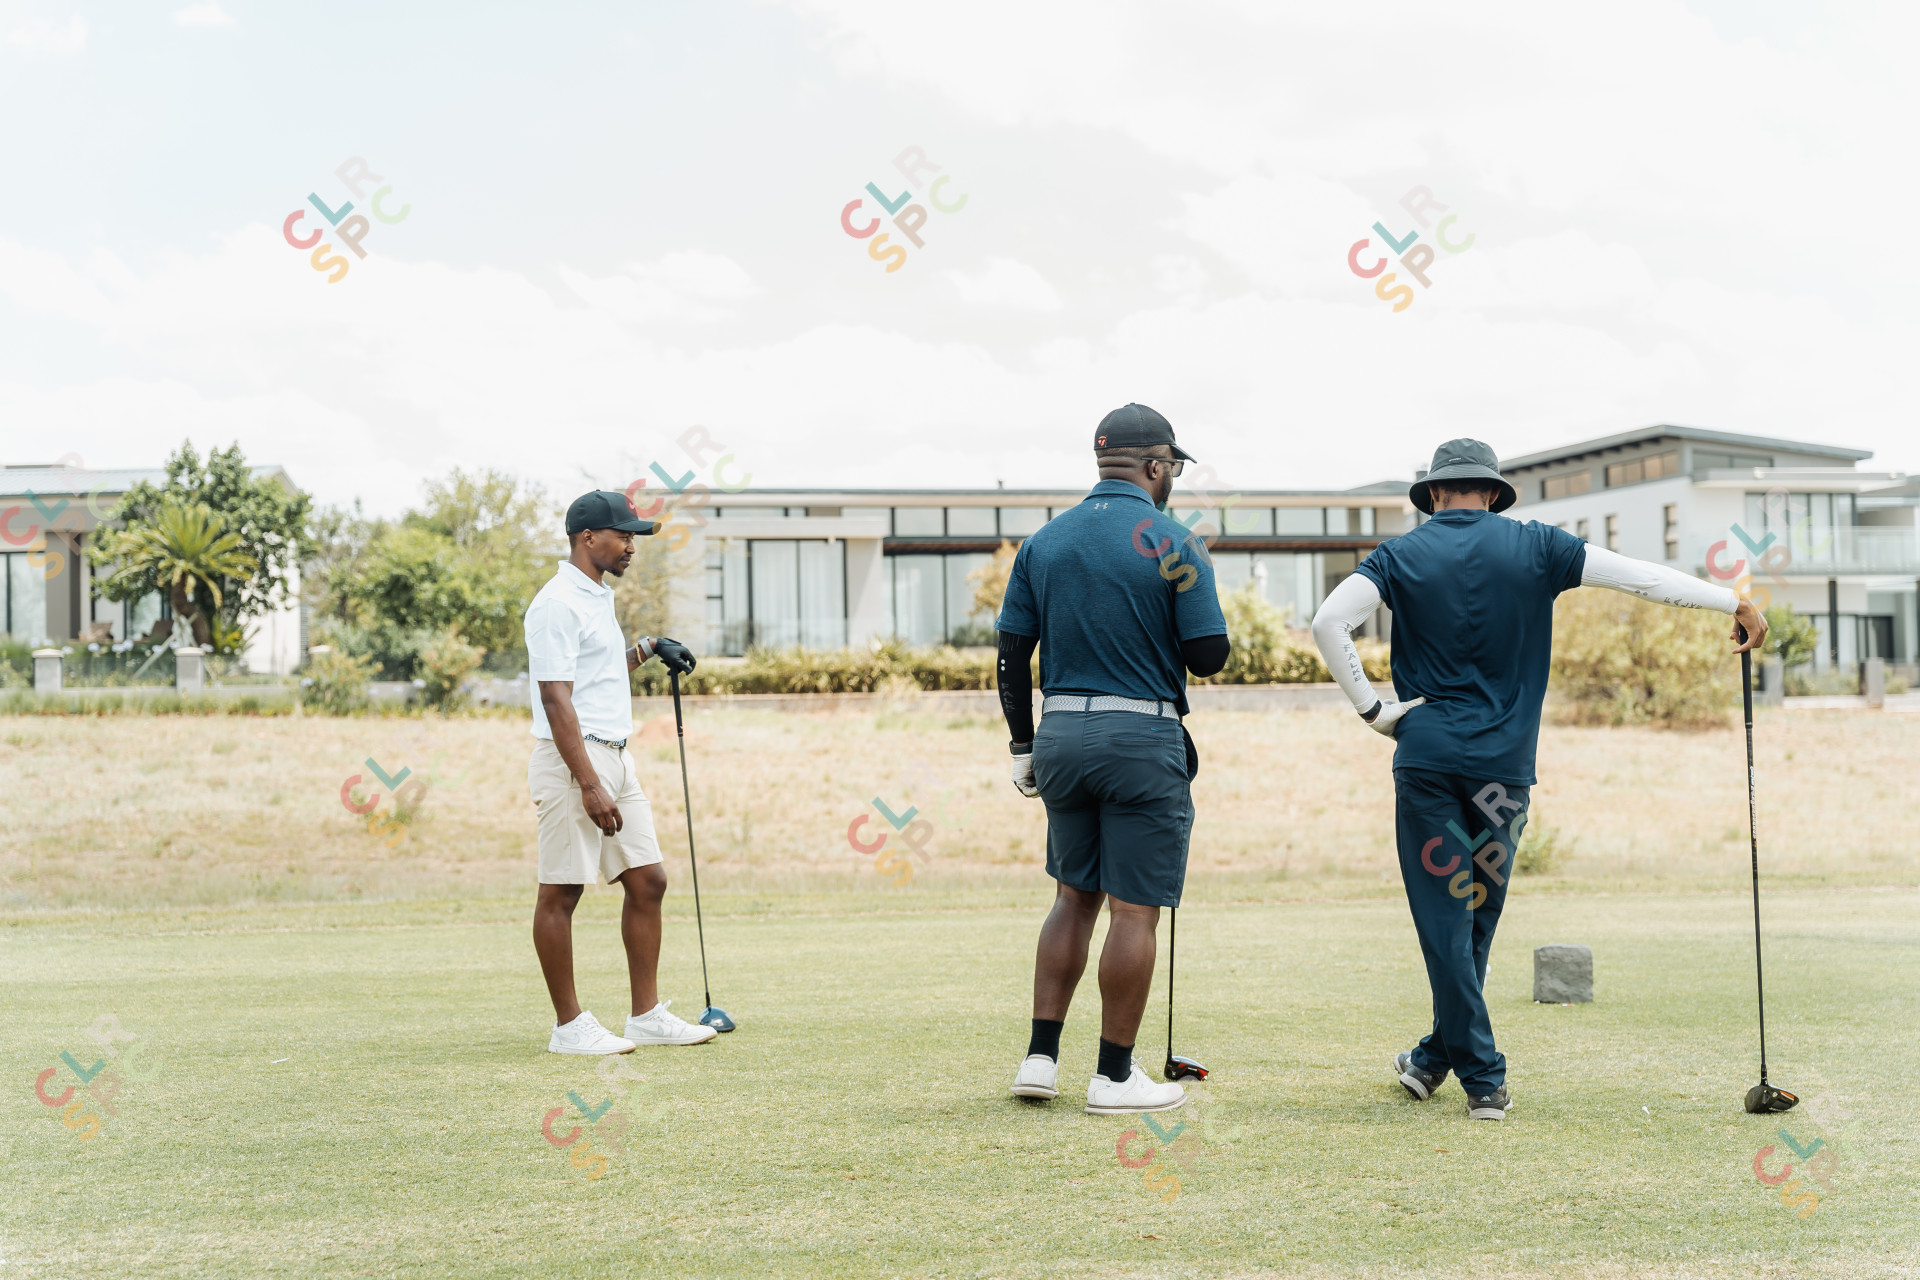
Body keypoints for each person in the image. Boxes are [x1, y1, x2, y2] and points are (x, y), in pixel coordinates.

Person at [1310, 439, 1766, 1120]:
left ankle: (1439, 1059)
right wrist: (1731, 600)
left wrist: (1375, 711)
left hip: (1428, 761)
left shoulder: (1399, 555)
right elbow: (1643, 578)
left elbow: (1328, 622)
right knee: (1478, 917)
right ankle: (1481, 1074)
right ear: (1494, 493)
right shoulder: (1540, 547)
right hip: (1503, 774)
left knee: (1447, 919)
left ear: (1433, 494)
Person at [995, 403, 1231, 1115]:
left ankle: (1039, 1060)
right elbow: (1209, 656)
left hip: (1060, 733)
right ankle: (1113, 1077)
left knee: (1073, 895)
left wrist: (1022, 745)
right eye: (1174, 470)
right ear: (1155, 467)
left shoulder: (1045, 542)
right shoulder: (1173, 541)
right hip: (1139, 738)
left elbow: (1010, 656)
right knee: (1134, 910)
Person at [525, 490, 712, 1055]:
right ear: (588, 538)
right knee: (562, 891)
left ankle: (647, 1016)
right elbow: (557, 700)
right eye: (623, 535)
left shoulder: (595, 596)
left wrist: (648, 648)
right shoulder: (557, 603)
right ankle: (569, 1026)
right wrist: (588, 783)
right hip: (573, 760)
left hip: (615, 755)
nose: (631, 546)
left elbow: (598, 671)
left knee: (648, 881)